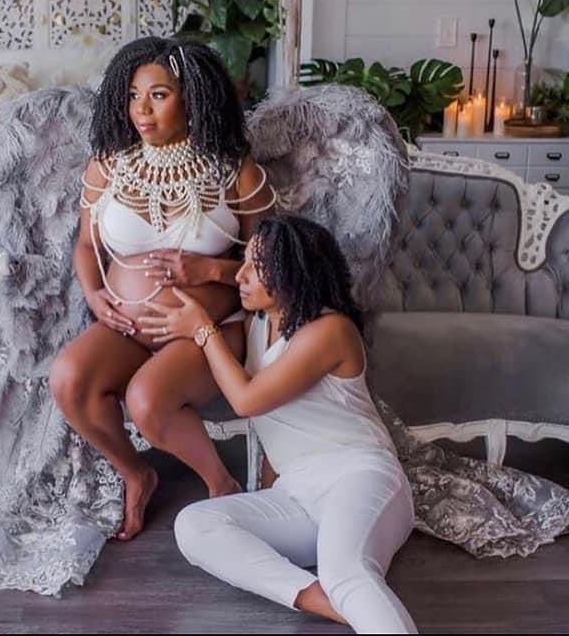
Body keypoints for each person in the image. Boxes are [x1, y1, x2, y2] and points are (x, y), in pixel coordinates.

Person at [140, 214, 417, 633]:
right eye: (244, 263)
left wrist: (203, 330)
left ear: (292, 274)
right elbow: (277, 426)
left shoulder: (329, 330)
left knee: (346, 572)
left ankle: (345, 593)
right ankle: (324, 601)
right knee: (194, 524)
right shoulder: (259, 324)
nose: (241, 276)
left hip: (359, 477)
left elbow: (246, 400)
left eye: (256, 267)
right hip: (296, 495)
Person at [48, 36, 276, 541]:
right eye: (133, 95)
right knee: (68, 379)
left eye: (158, 94)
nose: (141, 110)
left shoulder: (234, 172)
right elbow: (86, 245)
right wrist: (94, 295)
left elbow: (270, 267)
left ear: (192, 97)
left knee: (146, 400)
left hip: (207, 330)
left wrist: (209, 271)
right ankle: (136, 473)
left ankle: (220, 484)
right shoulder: (109, 165)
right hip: (126, 327)